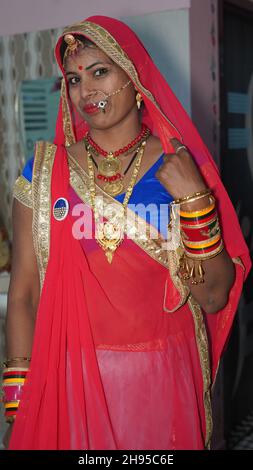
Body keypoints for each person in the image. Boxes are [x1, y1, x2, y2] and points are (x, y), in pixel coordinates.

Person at [2, 15, 251, 450]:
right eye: (75, 79)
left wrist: (195, 202)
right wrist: (18, 397)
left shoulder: (180, 168)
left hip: (162, 375)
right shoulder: (46, 174)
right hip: (71, 377)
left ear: (134, 76)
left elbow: (213, 296)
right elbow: (23, 292)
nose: (86, 91)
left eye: (100, 71)